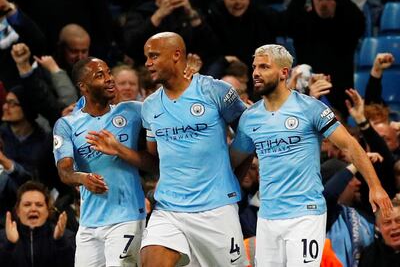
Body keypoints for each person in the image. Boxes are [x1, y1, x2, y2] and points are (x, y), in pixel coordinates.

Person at [90, 32, 248, 266]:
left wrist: (233, 177)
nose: (147, 63)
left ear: (176, 55)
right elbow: (155, 162)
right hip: (169, 208)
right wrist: (120, 149)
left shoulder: (215, 91)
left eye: (153, 56)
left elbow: (249, 135)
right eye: (146, 57)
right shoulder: (151, 106)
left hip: (216, 209)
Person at [230, 44, 392, 266]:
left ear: (284, 73)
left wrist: (375, 186)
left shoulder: (310, 108)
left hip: (305, 214)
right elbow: (234, 161)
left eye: (264, 66)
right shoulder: (250, 118)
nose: (256, 72)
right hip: (267, 216)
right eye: (255, 66)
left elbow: (350, 146)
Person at [53, 57, 154, 266]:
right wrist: (83, 178)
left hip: (127, 217)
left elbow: (154, 164)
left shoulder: (133, 112)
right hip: (89, 223)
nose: (109, 79)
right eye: (100, 75)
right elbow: (64, 172)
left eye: (109, 73)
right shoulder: (67, 125)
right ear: (83, 87)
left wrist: (119, 149)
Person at [0, 181, 75, 267]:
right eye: (27, 204)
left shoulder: (66, 237)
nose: (33, 209)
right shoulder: (3, 238)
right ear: (17, 211)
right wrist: (10, 245)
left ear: (48, 211)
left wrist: (61, 242)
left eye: (39, 205)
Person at [359, 198, 400, 267]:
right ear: (378, 227)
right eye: (387, 223)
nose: (394, 227)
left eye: (398, 220)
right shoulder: (370, 255)